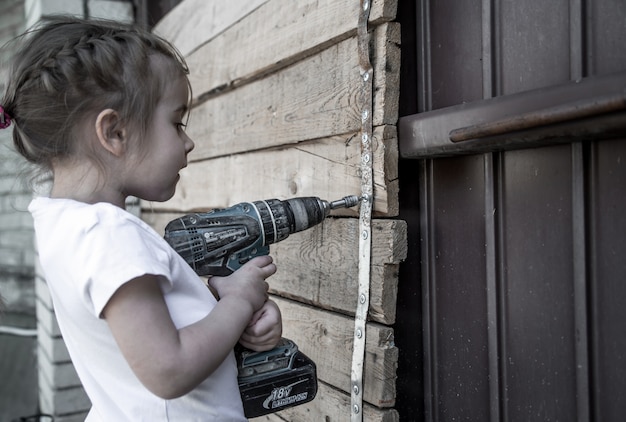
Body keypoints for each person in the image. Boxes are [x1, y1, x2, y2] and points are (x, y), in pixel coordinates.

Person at [1, 16, 282, 420]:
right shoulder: (107, 234)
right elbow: (169, 369)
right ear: (114, 132)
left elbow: (150, 334)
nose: (188, 141)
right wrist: (238, 302)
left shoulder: (61, 224)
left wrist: (222, 309)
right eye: (175, 122)